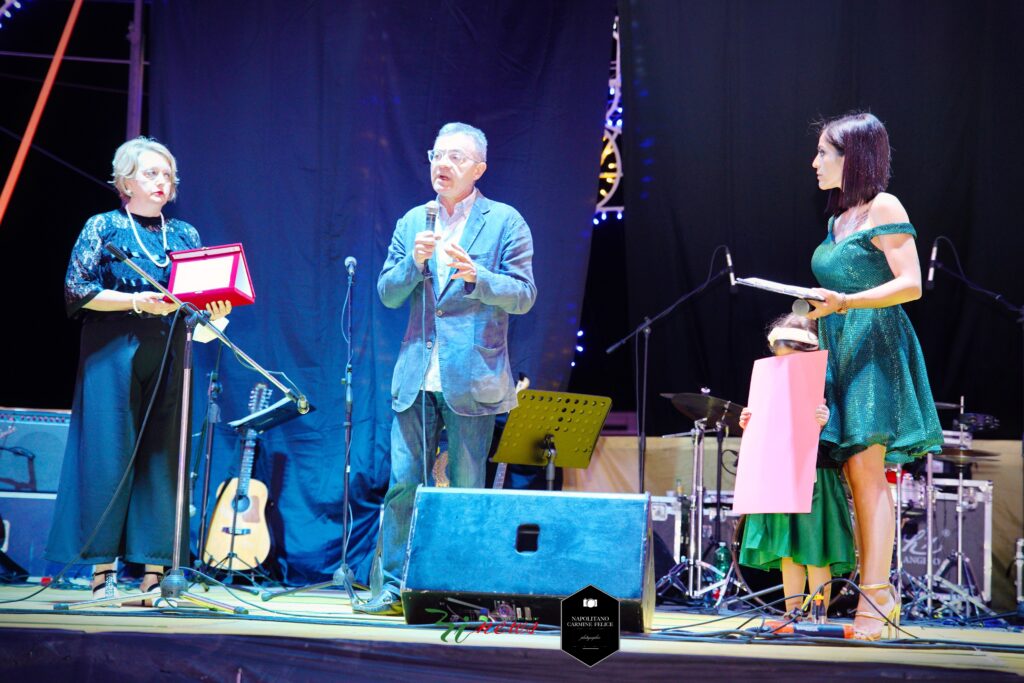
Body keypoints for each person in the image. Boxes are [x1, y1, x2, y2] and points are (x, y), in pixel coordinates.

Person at [45, 137, 232, 604]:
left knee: (164, 460)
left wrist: (217, 309)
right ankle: (102, 573)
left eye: (168, 175)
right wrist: (134, 301)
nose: (162, 182)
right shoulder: (103, 227)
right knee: (106, 457)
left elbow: (199, 300)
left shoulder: (184, 234)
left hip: (169, 351)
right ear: (126, 181)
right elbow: (77, 289)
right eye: (151, 173)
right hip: (111, 353)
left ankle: (156, 575)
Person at [361, 122, 536, 615]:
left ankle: (464, 590)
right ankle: (393, 588)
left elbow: (524, 295)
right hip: (417, 375)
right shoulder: (413, 221)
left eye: (456, 157)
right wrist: (413, 264)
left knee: (465, 489)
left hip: (473, 377)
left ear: (478, 168)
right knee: (403, 484)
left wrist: (479, 277)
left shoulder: (504, 221)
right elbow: (387, 293)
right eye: (437, 155)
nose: (443, 164)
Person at [806, 112, 943, 639]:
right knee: (852, 476)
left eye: (824, 152)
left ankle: (877, 600)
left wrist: (845, 302)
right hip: (840, 345)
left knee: (868, 475)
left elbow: (911, 284)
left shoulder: (885, 207)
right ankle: (874, 596)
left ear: (854, 157)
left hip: (874, 344)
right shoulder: (839, 219)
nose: (815, 162)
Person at [737, 314, 856, 618]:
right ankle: (792, 612)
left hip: (816, 473)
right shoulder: (771, 383)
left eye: (792, 358)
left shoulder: (830, 381)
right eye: (781, 358)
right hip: (781, 473)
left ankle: (819, 612)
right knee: (787, 548)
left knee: (814, 548)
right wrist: (750, 422)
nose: (786, 364)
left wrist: (828, 421)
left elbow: (848, 430)